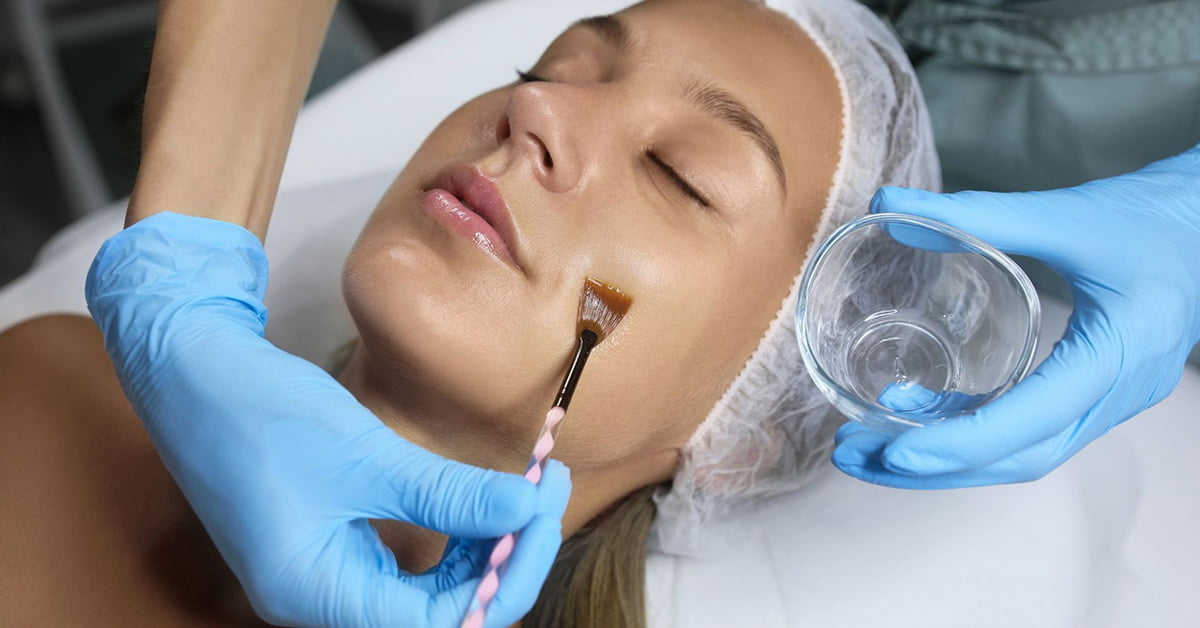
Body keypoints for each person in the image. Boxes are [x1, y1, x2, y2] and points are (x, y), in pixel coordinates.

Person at [4, 0, 939, 626]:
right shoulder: (54, 399)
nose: (534, 106)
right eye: (548, 67)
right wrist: (179, 276)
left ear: (749, 432)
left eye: (679, 174)